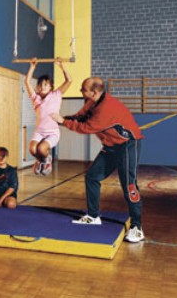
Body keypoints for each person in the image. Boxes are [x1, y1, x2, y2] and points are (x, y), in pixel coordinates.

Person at [51, 76, 145, 243]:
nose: (80, 91)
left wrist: (63, 121)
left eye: (83, 89)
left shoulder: (106, 108)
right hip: (111, 146)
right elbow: (80, 117)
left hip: (127, 145)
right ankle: (93, 216)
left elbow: (85, 128)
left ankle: (137, 227)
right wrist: (63, 119)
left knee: (129, 185)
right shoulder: (92, 102)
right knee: (92, 176)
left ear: (94, 92)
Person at [24, 57, 72, 176]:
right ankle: (40, 160)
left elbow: (69, 80)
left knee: (41, 149)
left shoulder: (56, 95)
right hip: (39, 131)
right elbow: (27, 82)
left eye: (46, 84)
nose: (42, 87)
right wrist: (32, 67)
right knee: (32, 149)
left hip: (52, 132)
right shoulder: (35, 98)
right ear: (37, 88)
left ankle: (46, 159)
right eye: (40, 85)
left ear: (51, 87)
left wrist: (61, 66)